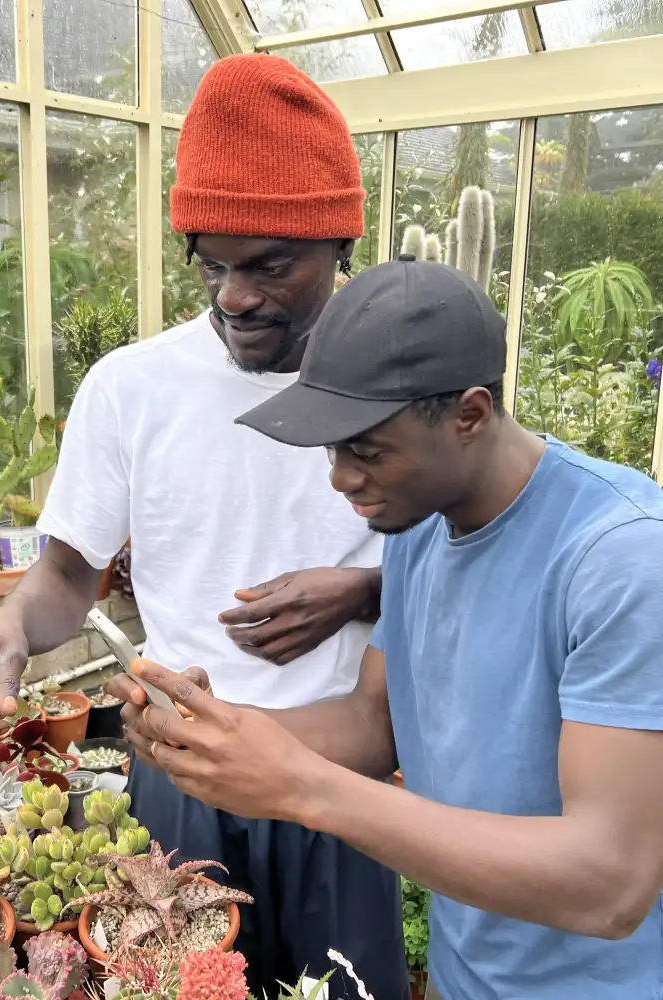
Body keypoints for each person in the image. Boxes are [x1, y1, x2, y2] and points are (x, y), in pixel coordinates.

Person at [0, 53, 408, 1000]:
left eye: (268, 266)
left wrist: (364, 592)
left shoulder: (394, 392)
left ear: (342, 243)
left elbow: (454, 565)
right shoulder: (131, 387)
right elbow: (65, 578)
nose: (234, 298)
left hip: (337, 769)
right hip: (184, 779)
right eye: (211, 265)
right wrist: (8, 625)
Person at [113, 254, 663, 1000]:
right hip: (463, 976)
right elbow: (376, 725)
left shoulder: (622, 558)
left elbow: (610, 882)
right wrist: (212, 735)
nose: (339, 477)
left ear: (469, 414)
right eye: (333, 448)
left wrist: (303, 789)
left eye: (367, 450)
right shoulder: (420, 530)